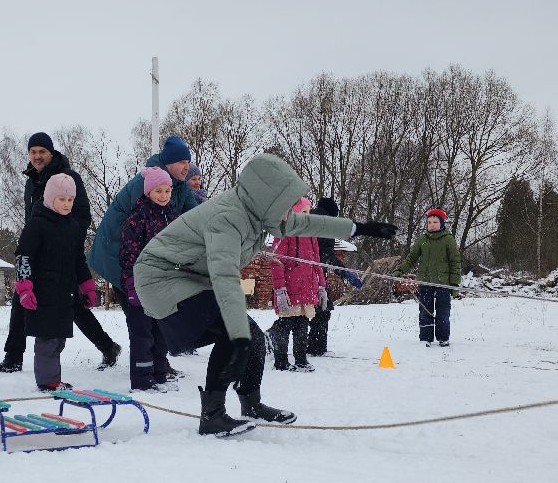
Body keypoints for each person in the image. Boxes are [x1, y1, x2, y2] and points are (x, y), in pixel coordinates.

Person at [134, 152, 395, 437]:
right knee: (234, 334)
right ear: (267, 199)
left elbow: (306, 224)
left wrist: (359, 228)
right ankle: (212, 416)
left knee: (254, 337)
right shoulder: (228, 218)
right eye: (285, 205)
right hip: (161, 277)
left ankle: (252, 404)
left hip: (189, 276)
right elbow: (224, 277)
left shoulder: (258, 214)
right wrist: (238, 334)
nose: (288, 212)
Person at [0, 132, 120, 374]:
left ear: (51, 153)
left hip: (64, 252)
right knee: (20, 300)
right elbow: (32, 219)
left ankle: (108, 346)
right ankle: (13, 357)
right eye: (33, 152)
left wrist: (67, 242)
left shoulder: (67, 178)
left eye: (42, 152)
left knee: (73, 305)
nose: (37, 156)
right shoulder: (32, 181)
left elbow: (82, 214)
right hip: (39, 252)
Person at [14, 171, 97, 392]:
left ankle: (53, 379)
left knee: (58, 339)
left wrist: (86, 285)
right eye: (62, 199)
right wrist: (24, 286)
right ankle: (48, 381)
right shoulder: (37, 225)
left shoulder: (72, 227)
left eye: (71, 200)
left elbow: (78, 259)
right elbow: (24, 256)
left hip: (64, 293)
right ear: (50, 198)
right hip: (42, 293)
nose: (67, 204)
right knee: (48, 339)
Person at [87, 134, 200, 293]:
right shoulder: (146, 182)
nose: (187, 167)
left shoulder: (181, 186)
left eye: (188, 162)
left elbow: (196, 217)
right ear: (169, 162)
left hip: (144, 261)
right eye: (182, 162)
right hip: (117, 252)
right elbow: (144, 231)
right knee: (139, 310)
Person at [118, 167, 178, 392]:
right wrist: (132, 283)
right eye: (158, 191)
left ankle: (160, 376)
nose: (163, 196)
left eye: (167, 191)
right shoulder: (137, 219)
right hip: (142, 286)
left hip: (165, 286)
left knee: (161, 332)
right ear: (148, 192)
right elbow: (128, 254)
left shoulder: (173, 216)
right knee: (143, 334)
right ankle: (143, 381)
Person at [266, 197, 326, 371]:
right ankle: (281, 360)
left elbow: (317, 262)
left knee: (302, 325)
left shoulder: (311, 235)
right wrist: (280, 289)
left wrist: (321, 285)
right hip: (290, 288)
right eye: (303, 212)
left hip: (307, 289)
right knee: (285, 325)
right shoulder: (284, 233)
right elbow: (276, 262)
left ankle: (301, 359)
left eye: (309, 212)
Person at [393, 207, 462, 346]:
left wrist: (454, 284)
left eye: (435, 222)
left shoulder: (448, 240)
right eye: (429, 222)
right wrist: (399, 271)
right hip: (424, 282)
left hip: (443, 283)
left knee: (443, 312)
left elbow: (455, 263)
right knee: (425, 311)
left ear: (442, 223)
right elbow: (411, 259)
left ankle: (443, 338)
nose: (432, 224)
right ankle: (426, 338)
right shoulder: (422, 240)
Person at [306, 197, 361, 357]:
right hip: (313, 276)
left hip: (308, 274)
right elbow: (326, 256)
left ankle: (315, 347)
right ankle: (316, 348)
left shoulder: (312, 220)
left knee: (305, 312)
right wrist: (345, 272)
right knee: (321, 310)